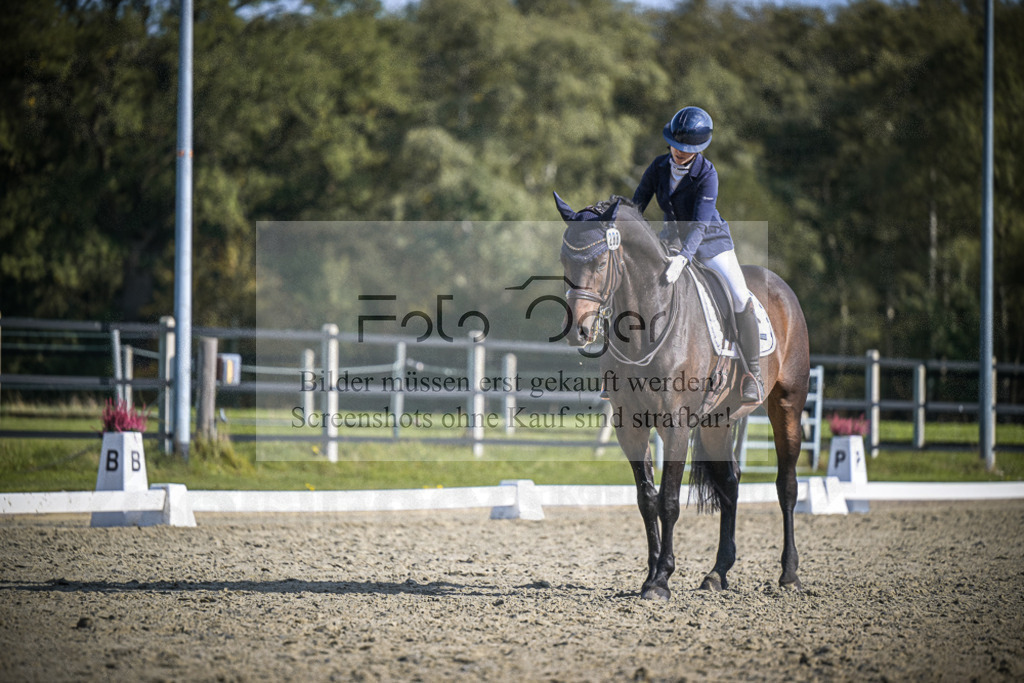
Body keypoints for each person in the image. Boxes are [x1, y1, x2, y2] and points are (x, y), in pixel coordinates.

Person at [632, 106, 763, 403]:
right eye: (676, 146)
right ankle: (625, 366)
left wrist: (684, 258)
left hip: (711, 242)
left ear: (699, 149)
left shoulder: (707, 174)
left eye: (686, 149)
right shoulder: (658, 167)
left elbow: (701, 224)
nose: (679, 152)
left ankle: (752, 373)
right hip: (672, 240)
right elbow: (637, 205)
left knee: (740, 295)